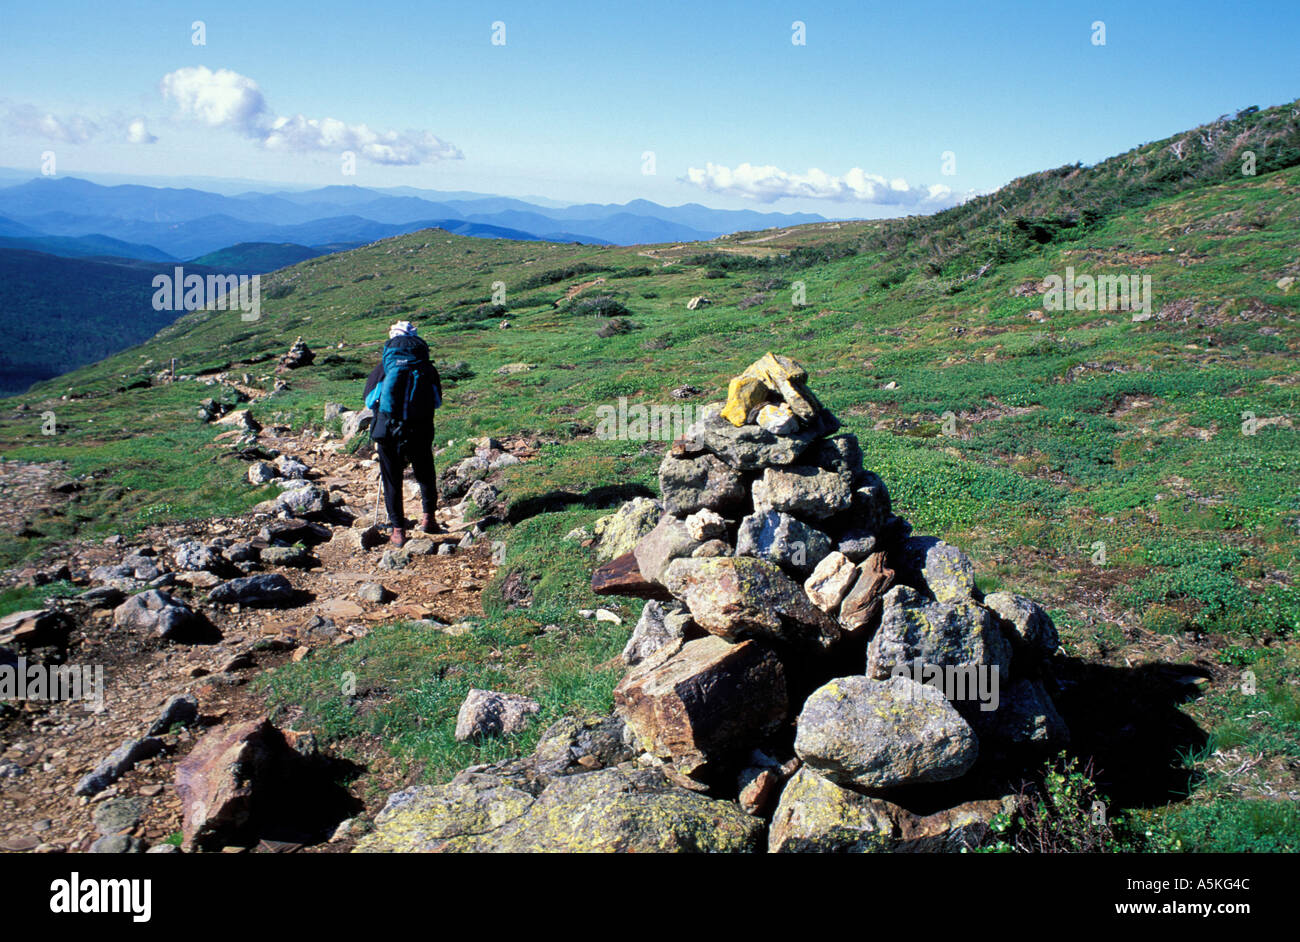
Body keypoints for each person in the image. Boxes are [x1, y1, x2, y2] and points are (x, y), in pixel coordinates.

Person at [363, 321, 442, 546]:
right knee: (425, 472)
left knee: (392, 478)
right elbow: (436, 402)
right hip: (420, 428)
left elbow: (370, 400)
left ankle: (398, 530)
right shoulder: (427, 368)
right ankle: (429, 519)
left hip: (388, 430)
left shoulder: (383, 368)